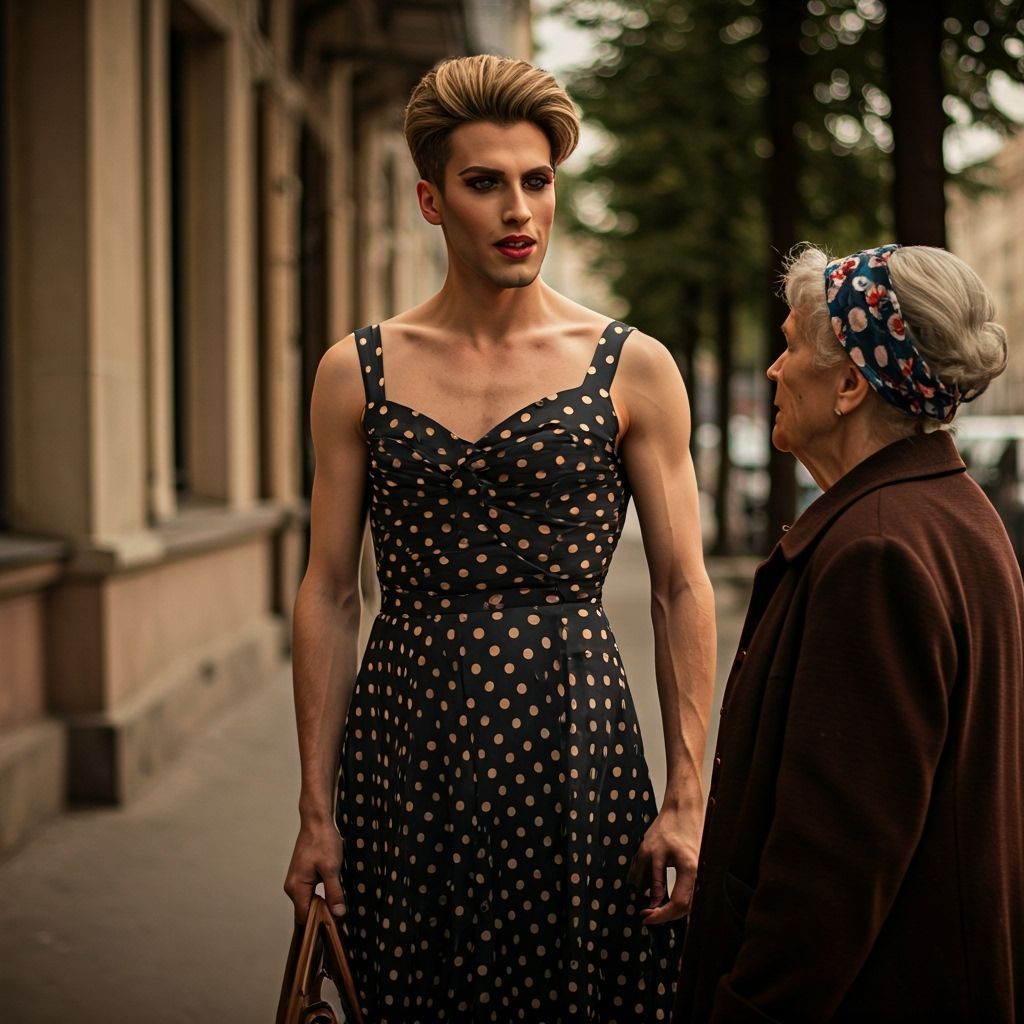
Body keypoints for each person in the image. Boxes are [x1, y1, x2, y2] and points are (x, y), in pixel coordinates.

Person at [283, 54, 717, 1023]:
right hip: (404, 752)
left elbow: (683, 586)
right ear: (433, 201)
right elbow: (328, 591)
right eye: (486, 183)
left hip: (574, 742)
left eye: (537, 181)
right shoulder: (354, 372)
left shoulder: (631, 368)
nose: (518, 209)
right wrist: (315, 811)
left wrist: (686, 795)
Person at [674, 242, 1023, 1023]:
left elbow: (830, 867)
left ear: (850, 385)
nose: (772, 369)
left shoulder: (876, 550)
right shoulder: (956, 516)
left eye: (792, 345)